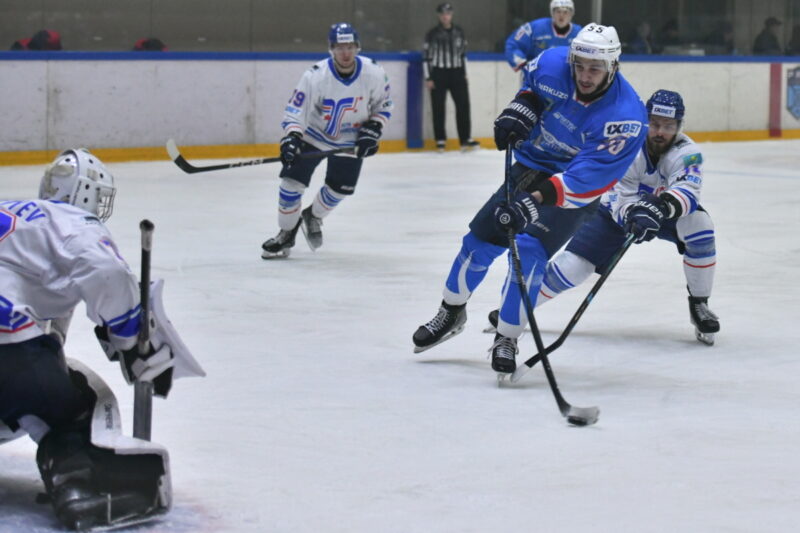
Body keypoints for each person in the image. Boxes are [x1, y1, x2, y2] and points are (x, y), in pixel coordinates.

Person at [412, 24, 647, 373]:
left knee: (529, 255)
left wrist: (534, 201)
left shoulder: (625, 117)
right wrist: (523, 106)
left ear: (613, 66)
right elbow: (533, 88)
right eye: (580, 66)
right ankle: (451, 311)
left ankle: (507, 337)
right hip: (532, 164)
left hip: (572, 189)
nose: (584, 75)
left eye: (595, 69)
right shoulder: (551, 63)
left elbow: (587, 181)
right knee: (479, 242)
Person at [0, 149, 204, 529]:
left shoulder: (13, 214)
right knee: (79, 403)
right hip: (7, 349)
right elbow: (106, 271)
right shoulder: (73, 221)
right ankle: (85, 486)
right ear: (85, 192)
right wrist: (131, 341)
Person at [488, 90, 720, 345]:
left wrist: (661, 208)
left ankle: (699, 304)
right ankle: (515, 309)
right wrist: (632, 214)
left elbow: (688, 191)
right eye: (654, 124)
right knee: (573, 267)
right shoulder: (626, 146)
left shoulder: (689, 152)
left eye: (668, 126)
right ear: (645, 121)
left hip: (663, 213)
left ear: (679, 126)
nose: (660, 132)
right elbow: (619, 195)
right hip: (616, 214)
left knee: (700, 225)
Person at [261, 22, 393, 259]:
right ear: (331, 48)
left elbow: (383, 105)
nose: (345, 53)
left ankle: (313, 216)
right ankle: (286, 233)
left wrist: (374, 128)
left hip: (349, 141)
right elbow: (296, 110)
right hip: (313, 136)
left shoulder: (373, 73)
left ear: (358, 47)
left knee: (340, 190)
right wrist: (292, 137)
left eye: (350, 47)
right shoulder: (315, 76)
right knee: (290, 185)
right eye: (340, 47)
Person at [423, 3, 480, 153]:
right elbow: (426, 57)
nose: (445, 16)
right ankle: (440, 140)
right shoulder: (432, 34)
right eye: (442, 14)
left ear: (451, 14)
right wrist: (428, 77)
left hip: (457, 73)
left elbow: (463, 54)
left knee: (463, 106)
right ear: (438, 15)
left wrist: (465, 73)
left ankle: (465, 139)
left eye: (448, 13)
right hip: (438, 73)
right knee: (438, 107)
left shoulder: (459, 32)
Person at [504, 0, 582, 71]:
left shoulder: (580, 34)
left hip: (566, 78)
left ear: (571, 14)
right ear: (552, 13)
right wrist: (522, 63)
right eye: (558, 12)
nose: (561, 15)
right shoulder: (536, 27)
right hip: (536, 76)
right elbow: (513, 43)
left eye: (565, 12)